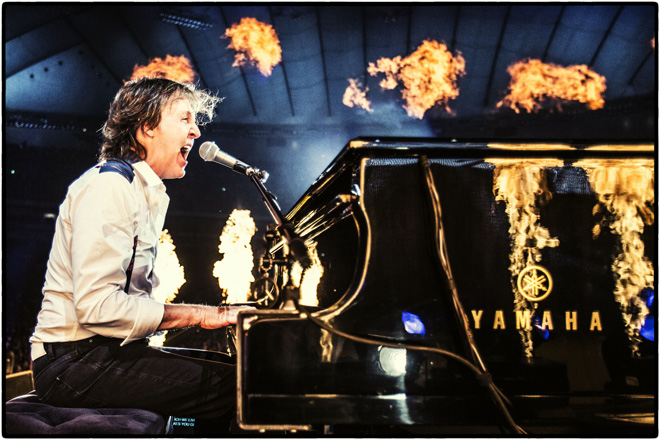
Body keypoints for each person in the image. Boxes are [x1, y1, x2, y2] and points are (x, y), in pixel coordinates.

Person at [29, 77, 253, 427]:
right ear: (147, 127)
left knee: (237, 371)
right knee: (239, 388)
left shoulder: (139, 189)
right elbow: (98, 308)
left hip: (101, 353)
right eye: (184, 118)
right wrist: (201, 315)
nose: (195, 131)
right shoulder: (110, 187)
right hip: (71, 363)